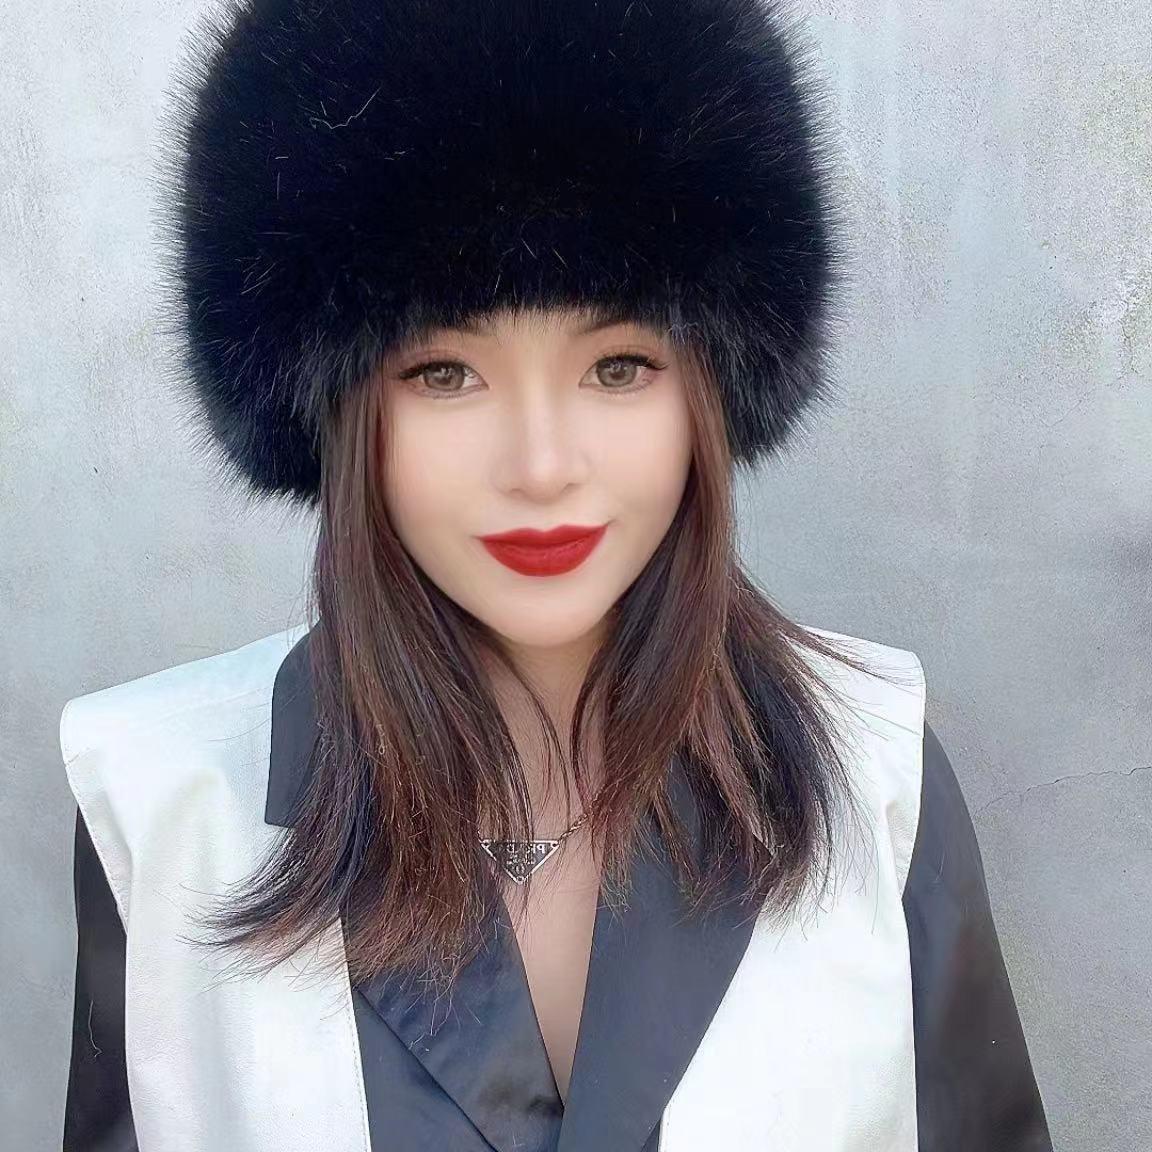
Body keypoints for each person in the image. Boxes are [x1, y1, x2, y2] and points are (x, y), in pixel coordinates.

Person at [60, 0, 1054, 1149]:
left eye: (618, 365)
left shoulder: (874, 769)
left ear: (710, 389)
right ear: (337, 411)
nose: (541, 466)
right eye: (445, 373)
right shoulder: (159, 801)